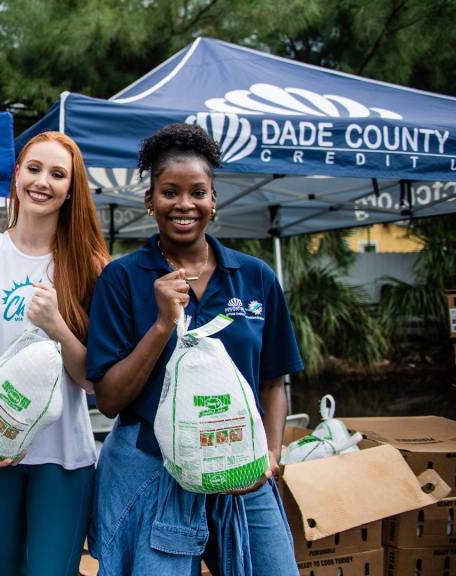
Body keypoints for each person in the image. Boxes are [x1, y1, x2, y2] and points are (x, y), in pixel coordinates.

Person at [85, 123, 304, 576]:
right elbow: (109, 400)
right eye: (169, 192)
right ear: (150, 202)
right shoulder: (122, 280)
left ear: (213, 200)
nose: (184, 204)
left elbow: (273, 380)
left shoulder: (254, 275)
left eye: (198, 192)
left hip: (242, 467)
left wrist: (272, 453)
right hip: (154, 468)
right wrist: (163, 324)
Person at [0, 131, 109, 575]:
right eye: (34, 168)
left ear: (71, 188)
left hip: (63, 456)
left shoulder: (92, 266)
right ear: (17, 173)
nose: (43, 181)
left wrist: (56, 326)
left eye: (58, 174)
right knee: (8, 569)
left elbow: (93, 380)